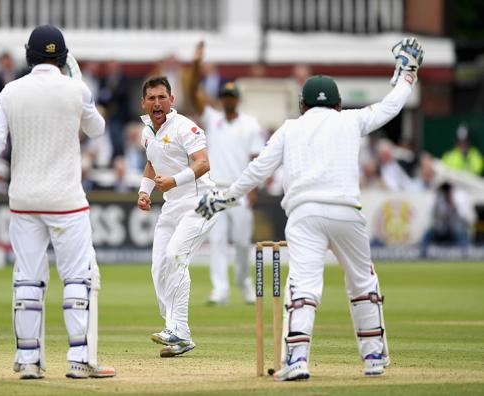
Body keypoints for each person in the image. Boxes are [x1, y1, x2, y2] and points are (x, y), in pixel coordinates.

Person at [196, 37, 424, 380]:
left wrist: (224, 198)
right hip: (348, 212)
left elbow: (257, 170)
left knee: (303, 284)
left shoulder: (290, 128)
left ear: (302, 105)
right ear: (338, 103)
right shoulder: (351, 119)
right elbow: (390, 106)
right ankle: (374, 357)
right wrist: (406, 75)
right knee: (363, 281)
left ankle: (298, 360)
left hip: (305, 215)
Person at [0, 25, 115, 380]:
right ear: (63, 57)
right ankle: (79, 358)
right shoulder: (76, 89)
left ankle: (28, 360)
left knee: (27, 280)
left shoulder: (10, 92)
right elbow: (97, 130)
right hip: (67, 201)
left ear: (28, 56)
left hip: (24, 201)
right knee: (77, 279)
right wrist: (81, 87)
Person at [137, 76, 217, 358]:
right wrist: (144, 192)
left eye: (162, 97)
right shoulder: (146, 130)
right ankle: (175, 330)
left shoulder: (185, 126)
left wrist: (174, 180)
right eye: (152, 98)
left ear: (171, 100)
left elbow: (203, 162)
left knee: (175, 257)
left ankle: (179, 331)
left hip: (200, 201)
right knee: (158, 267)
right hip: (172, 205)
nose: (157, 103)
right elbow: (150, 163)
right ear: (143, 103)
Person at [188, 41, 265, 305]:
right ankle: (219, 289)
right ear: (222, 100)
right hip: (215, 188)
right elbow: (192, 92)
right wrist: (196, 64)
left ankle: (243, 282)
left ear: (238, 100)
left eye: (233, 97)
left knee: (243, 243)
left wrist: (253, 189)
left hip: (241, 188)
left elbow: (256, 159)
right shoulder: (213, 118)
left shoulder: (250, 124)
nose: (229, 100)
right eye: (226, 97)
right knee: (217, 240)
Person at [420, 182, 473, 258]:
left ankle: (465, 253)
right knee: (428, 232)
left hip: (453, 228)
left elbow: (462, 216)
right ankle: (423, 252)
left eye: (447, 191)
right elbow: (431, 214)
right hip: (440, 228)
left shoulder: (458, 198)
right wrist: (437, 200)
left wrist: (452, 202)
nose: (445, 193)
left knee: (461, 232)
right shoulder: (437, 200)